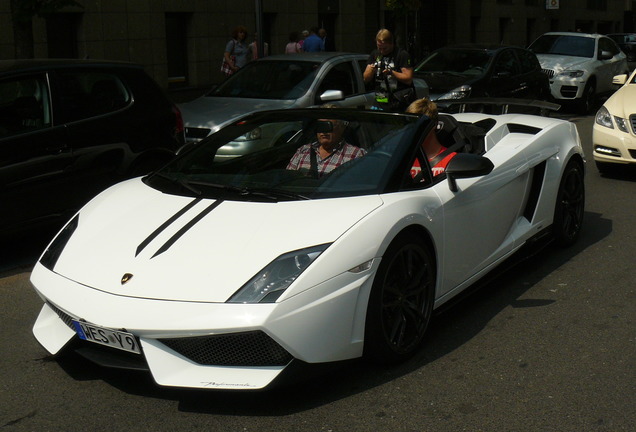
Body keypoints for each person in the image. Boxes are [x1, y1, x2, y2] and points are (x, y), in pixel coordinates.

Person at [287, 106, 366, 177]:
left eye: (328, 126)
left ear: (341, 128)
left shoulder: (356, 156)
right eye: (321, 126)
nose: (323, 132)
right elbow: (287, 180)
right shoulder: (303, 151)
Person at [363, 29, 414, 112]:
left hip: (398, 100)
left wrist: (391, 72)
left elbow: (408, 79)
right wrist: (371, 69)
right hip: (381, 99)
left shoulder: (401, 55)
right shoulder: (375, 54)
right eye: (379, 48)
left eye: (385, 48)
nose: (382, 51)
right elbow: (365, 78)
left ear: (392, 43)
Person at [406, 98, 456, 177]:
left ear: (433, 125)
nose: (413, 130)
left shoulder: (451, 160)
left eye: (419, 126)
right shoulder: (403, 159)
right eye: (410, 126)